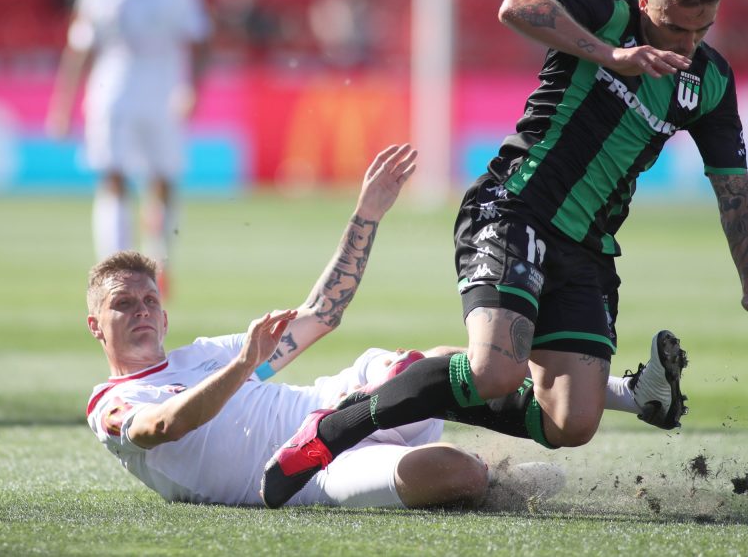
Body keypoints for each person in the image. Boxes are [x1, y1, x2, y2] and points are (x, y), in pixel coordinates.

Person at [260, 0, 748, 509]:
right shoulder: (608, 11)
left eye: (702, 31)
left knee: (572, 422)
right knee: (494, 371)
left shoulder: (710, 80)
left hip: (588, 247)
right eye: (675, 29)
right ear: (647, 1)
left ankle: (412, 388)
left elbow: (733, 185)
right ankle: (329, 433)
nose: (687, 45)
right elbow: (516, 7)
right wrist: (607, 54)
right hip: (514, 209)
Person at [86, 145, 492, 508]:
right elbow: (164, 425)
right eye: (123, 304)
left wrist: (366, 214)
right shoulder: (111, 404)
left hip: (340, 401)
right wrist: (243, 366)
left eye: (149, 301)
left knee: (445, 364)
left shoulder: (206, 353)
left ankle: (547, 413)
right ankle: (495, 470)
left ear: (164, 317)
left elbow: (321, 314)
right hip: (311, 473)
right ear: (96, 326)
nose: (141, 311)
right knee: (456, 474)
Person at [46, 0, 211, 295]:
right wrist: (63, 103)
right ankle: (113, 269)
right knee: (113, 176)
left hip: (162, 90)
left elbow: (201, 39)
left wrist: (192, 88)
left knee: (163, 179)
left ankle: (160, 261)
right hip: (112, 91)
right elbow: (80, 47)